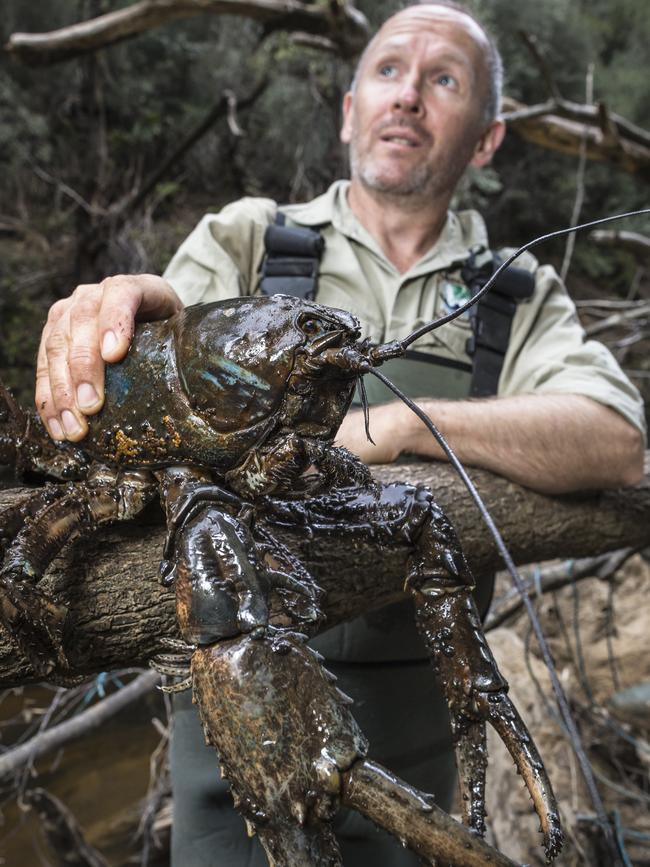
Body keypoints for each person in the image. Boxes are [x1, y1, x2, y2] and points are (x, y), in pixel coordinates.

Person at [34, 2, 645, 864]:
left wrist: (394, 426)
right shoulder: (246, 237)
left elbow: (617, 439)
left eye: (445, 80)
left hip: (430, 744)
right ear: (349, 109)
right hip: (227, 741)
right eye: (389, 71)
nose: (408, 98)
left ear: (486, 139)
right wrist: (119, 326)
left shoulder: (514, 291)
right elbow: (154, 338)